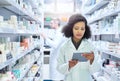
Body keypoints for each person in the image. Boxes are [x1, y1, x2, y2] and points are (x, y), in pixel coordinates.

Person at [57, 14, 100, 81]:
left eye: (82, 29)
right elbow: (59, 68)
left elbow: (96, 69)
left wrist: (92, 60)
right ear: (71, 29)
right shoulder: (64, 47)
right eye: (76, 28)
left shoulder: (90, 46)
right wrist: (68, 65)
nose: (79, 31)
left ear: (85, 30)